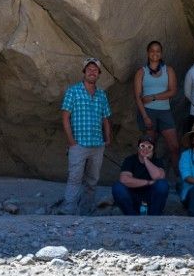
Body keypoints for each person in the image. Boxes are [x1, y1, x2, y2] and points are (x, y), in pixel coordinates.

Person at [60, 58, 112, 215]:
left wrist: (107, 137)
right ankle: (68, 210)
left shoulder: (102, 94)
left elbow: (105, 118)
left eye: (95, 70)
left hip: (97, 144)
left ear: (99, 74)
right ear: (84, 72)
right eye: (89, 69)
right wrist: (71, 141)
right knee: (75, 178)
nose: (92, 72)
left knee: (92, 181)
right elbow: (65, 117)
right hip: (79, 144)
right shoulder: (73, 91)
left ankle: (85, 211)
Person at [135, 41, 179, 164]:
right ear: (148, 53)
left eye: (158, 50)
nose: (155, 53)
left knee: (174, 147)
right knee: (149, 149)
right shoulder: (141, 72)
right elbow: (138, 97)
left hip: (165, 111)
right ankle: (149, 178)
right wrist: (145, 117)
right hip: (148, 112)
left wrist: (153, 97)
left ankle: (179, 179)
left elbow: (173, 91)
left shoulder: (168, 70)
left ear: (161, 53)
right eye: (152, 50)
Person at [113, 135, 169, 215]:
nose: (145, 149)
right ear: (138, 148)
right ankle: (131, 216)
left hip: (151, 196)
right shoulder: (130, 160)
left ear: (153, 150)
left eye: (149, 147)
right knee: (118, 187)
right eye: (142, 146)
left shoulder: (157, 161)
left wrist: (146, 159)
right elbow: (124, 179)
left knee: (162, 184)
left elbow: (159, 177)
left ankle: (154, 217)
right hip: (133, 195)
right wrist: (148, 182)